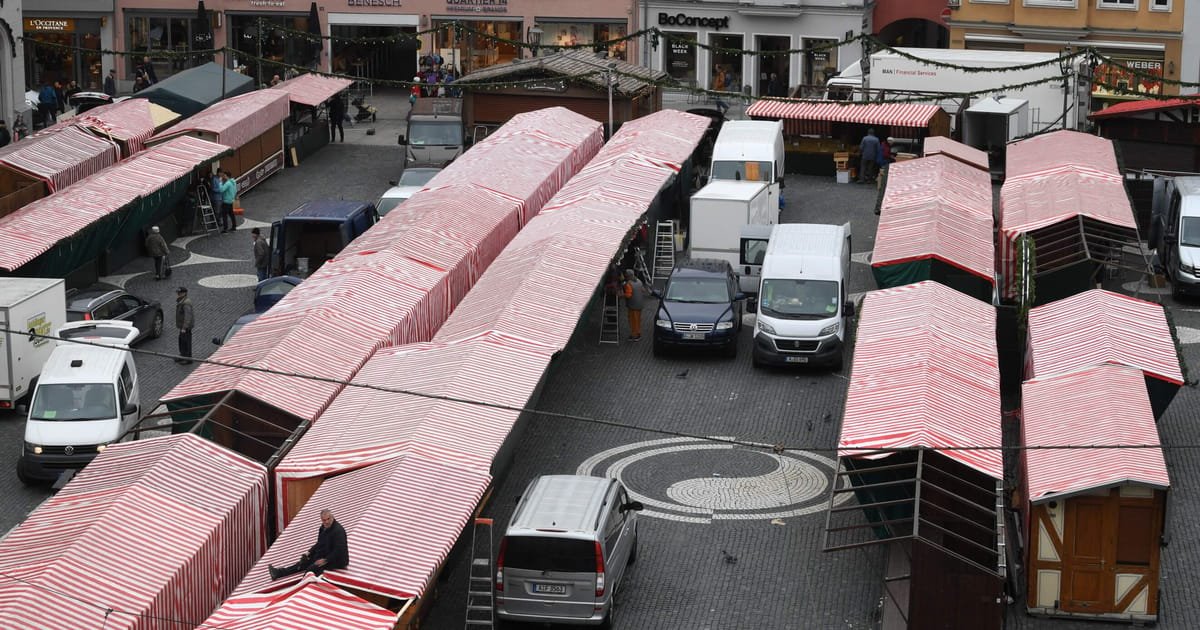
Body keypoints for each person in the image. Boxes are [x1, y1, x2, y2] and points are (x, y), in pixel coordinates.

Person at [269, 509, 349, 580]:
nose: (326, 522)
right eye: (324, 520)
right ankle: (278, 573)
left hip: (336, 560)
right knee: (302, 563)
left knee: (311, 569)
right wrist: (309, 553)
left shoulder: (338, 531)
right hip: (325, 554)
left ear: (332, 517)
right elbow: (319, 543)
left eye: (328, 519)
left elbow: (339, 551)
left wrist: (326, 560)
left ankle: (301, 586)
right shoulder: (323, 528)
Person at [622, 269, 647, 342]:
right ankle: (638, 333)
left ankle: (635, 335)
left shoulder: (628, 284)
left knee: (633, 321)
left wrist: (622, 295)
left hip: (633, 306)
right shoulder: (639, 281)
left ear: (628, 276)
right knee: (638, 320)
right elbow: (643, 290)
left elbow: (628, 295)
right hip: (640, 305)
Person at [175, 287, 193, 365]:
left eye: (179, 293)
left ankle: (188, 358)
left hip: (185, 328)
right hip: (182, 327)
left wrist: (184, 327)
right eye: (178, 293)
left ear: (184, 293)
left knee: (186, 342)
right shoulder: (182, 301)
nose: (178, 294)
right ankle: (183, 355)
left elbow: (188, 316)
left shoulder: (186, 303)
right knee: (181, 341)